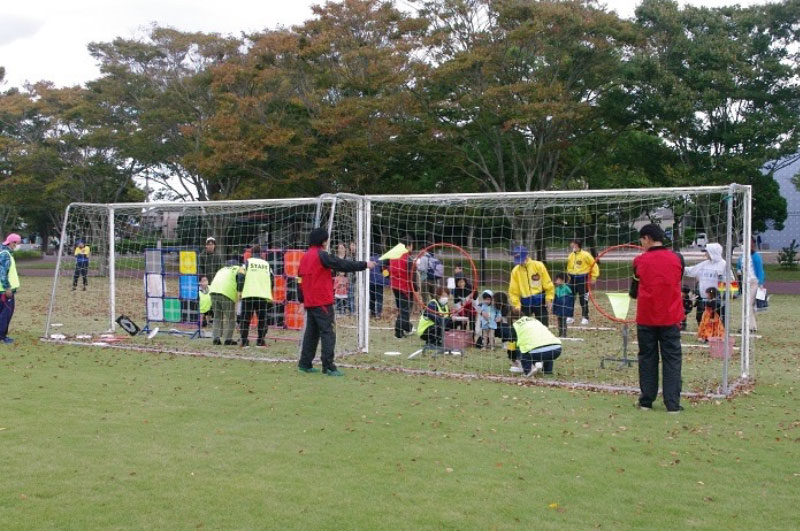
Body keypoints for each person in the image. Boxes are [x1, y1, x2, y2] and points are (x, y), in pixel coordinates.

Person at [297, 228, 374, 376]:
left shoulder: (304, 257)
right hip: (322, 301)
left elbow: (299, 280)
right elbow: (342, 264)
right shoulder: (322, 255)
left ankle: (305, 363)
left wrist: (301, 299)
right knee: (328, 333)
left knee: (311, 333)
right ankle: (328, 366)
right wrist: (365, 265)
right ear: (323, 241)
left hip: (310, 302)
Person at [629, 224, 685, 413]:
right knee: (672, 359)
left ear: (647, 238)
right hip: (670, 317)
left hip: (646, 318)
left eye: (641, 240)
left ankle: (646, 401)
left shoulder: (640, 261)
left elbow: (633, 292)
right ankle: (672, 404)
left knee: (647, 358)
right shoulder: (677, 259)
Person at [684, 242, 734, 326]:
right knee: (700, 318)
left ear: (712, 252)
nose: (705, 254)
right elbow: (691, 270)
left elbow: (732, 281)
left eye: (706, 252)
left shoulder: (724, 265)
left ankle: (719, 335)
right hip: (703, 299)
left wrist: (722, 279)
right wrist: (679, 266)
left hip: (718, 300)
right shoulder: (704, 264)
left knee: (718, 319)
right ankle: (704, 335)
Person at [237, 245, 273, 347]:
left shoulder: (247, 263)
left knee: (245, 319)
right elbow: (272, 279)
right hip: (262, 295)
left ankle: (244, 342)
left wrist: (240, 290)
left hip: (249, 294)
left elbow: (240, 276)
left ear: (251, 253)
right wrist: (269, 292)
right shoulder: (266, 264)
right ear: (261, 254)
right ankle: (260, 341)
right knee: (262, 319)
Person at [508, 245, 554, 325]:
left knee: (543, 324)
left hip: (539, 301)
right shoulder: (515, 271)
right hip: (525, 303)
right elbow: (513, 291)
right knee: (524, 325)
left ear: (527, 256)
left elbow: (548, 283)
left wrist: (549, 298)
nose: (521, 262)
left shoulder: (539, 266)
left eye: (522, 259)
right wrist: (517, 305)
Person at [566, 239, 599, 325]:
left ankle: (585, 317)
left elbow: (594, 265)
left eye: (572, 244)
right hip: (572, 279)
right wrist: (568, 276)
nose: (571, 245)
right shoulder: (570, 256)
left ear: (577, 245)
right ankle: (570, 316)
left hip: (582, 278)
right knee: (570, 298)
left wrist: (594, 277)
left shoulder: (586, 255)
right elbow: (568, 267)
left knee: (583, 298)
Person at [208, 260, 241, 346]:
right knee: (231, 318)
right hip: (226, 293)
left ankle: (216, 338)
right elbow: (240, 281)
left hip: (213, 291)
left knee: (217, 317)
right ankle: (228, 339)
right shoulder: (237, 269)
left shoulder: (221, 270)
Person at [737, 238, 765, 332]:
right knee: (747, 304)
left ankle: (747, 326)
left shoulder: (756, 256)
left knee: (748, 304)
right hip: (744, 282)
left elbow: (760, 271)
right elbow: (739, 268)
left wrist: (761, 283)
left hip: (753, 281)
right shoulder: (742, 257)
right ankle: (752, 326)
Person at [389, 239, 414, 339]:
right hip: (404, 287)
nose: (412, 248)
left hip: (395, 286)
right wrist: (415, 287)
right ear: (408, 246)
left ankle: (408, 328)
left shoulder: (393, 256)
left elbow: (384, 266)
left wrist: (388, 275)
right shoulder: (408, 259)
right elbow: (411, 276)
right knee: (405, 310)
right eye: (412, 245)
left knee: (402, 309)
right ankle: (398, 332)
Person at [0, 233, 22, 344]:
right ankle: (2, 336)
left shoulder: (6, 253)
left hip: (3, 290)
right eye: (17, 243)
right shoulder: (5, 254)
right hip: (4, 291)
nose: (18, 245)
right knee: (6, 313)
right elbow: (2, 272)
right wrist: (7, 287)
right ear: (12, 242)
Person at [552, 273, 574, 338]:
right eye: (556, 280)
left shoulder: (567, 288)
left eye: (557, 280)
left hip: (564, 308)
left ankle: (564, 334)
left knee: (564, 321)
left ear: (563, 280)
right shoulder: (556, 289)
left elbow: (570, 298)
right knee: (559, 320)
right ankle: (560, 333)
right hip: (558, 308)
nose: (556, 281)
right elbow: (555, 299)